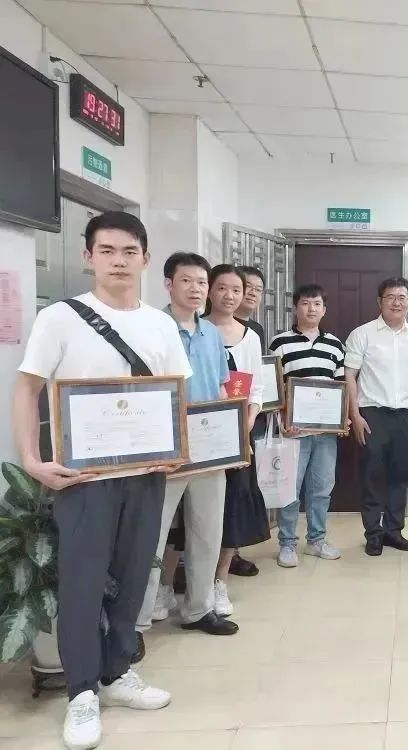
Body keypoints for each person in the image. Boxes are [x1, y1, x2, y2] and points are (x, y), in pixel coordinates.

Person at [12, 212, 186, 749]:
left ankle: (116, 673)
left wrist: (176, 450)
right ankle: (82, 691)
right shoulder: (60, 318)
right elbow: (27, 389)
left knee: (133, 578)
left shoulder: (159, 325)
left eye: (129, 251)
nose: (118, 261)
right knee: (83, 582)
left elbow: (174, 394)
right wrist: (32, 459)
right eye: (107, 250)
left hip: (145, 475)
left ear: (145, 259)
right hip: (84, 479)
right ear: (89, 257)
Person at [134, 252, 239, 648]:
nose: (195, 289)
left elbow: (222, 387)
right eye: (186, 281)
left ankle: (198, 609)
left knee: (207, 531)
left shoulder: (211, 333)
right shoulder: (151, 329)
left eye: (201, 282)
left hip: (210, 448)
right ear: (168, 284)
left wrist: (232, 437)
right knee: (152, 535)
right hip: (165, 449)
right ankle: (136, 623)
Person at [344, 277, 408, 556]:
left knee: (400, 476)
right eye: (390, 297)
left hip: (406, 414)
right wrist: (355, 415)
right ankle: (373, 533)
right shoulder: (363, 334)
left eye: (402, 297)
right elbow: (350, 376)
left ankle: (394, 531)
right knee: (372, 475)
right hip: (372, 414)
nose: (396, 302)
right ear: (379, 302)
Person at [204, 265, 270, 616]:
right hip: (200, 432)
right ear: (210, 291)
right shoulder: (196, 330)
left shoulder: (251, 336)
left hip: (239, 433)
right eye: (222, 288)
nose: (229, 296)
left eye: (236, 290)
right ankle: (170, 584)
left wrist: (248, 420)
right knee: (194, 510)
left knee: (232, 505)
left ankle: (219, 581)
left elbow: (256, 387)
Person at [269, 284, 346, 568]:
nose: (311, 309)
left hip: (326, 433)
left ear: (324, 310)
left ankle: (316, 540)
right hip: (294, 431)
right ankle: (287, 544)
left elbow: (340, 386)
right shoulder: (280, 343)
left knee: (322, 488)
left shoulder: (335, 345)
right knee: (290, 488)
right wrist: (283, 421)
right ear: (295, 308)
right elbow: (273, 388)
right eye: (305, 303)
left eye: (316, 304)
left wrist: (342, 420)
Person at [230, 264, 267, 577]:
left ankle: (231, 554)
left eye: (257, 289)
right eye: (247, 287)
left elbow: (258, 379)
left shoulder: (255, 332)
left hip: (246, 420)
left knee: (240, 490)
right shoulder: (204, 327)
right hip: (213, 420)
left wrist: (253, 414)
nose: (252, 294)